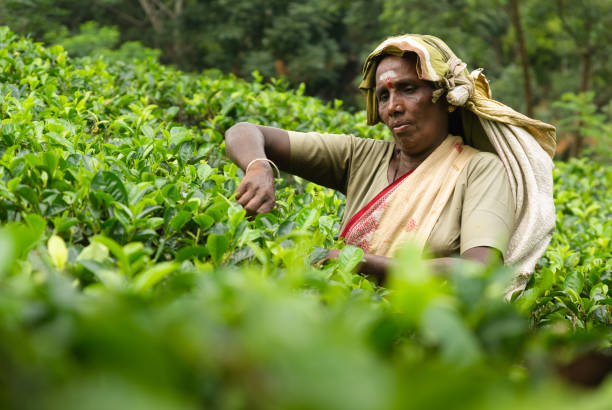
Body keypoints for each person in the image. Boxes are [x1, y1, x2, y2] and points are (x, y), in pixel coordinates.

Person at [225, 34, 556, 296]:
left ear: (444, 97)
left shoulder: (479, 169)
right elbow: (245, 132)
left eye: (408, 90)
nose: (393, 107)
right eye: (384, 96)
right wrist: (258, 166)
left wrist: (358, 263)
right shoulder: (360, 158)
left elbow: (478, 271)